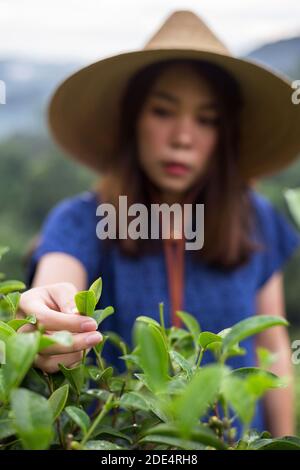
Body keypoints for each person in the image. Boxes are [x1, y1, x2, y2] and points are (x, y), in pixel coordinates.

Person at [19, 10, 300, 437]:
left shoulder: (256, 219)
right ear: (133, 120)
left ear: (224, 136)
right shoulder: (84, 218)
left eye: (206, 119)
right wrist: (50, 319)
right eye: (163, 111)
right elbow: (56, 282)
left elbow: (271, 343)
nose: (183, 137)